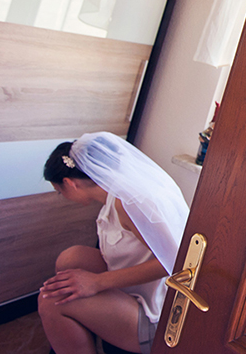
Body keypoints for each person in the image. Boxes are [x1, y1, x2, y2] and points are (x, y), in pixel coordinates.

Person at [39, 132, 189, 354]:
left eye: (60, 191)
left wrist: (97, 282)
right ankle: (84, 330)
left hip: (159, 313)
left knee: (51, 301)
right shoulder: (115, 193)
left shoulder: (129, 204)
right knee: (70, 259)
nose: (62, 196)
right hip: (141, 289)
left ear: (70, 183)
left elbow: (176, 263)